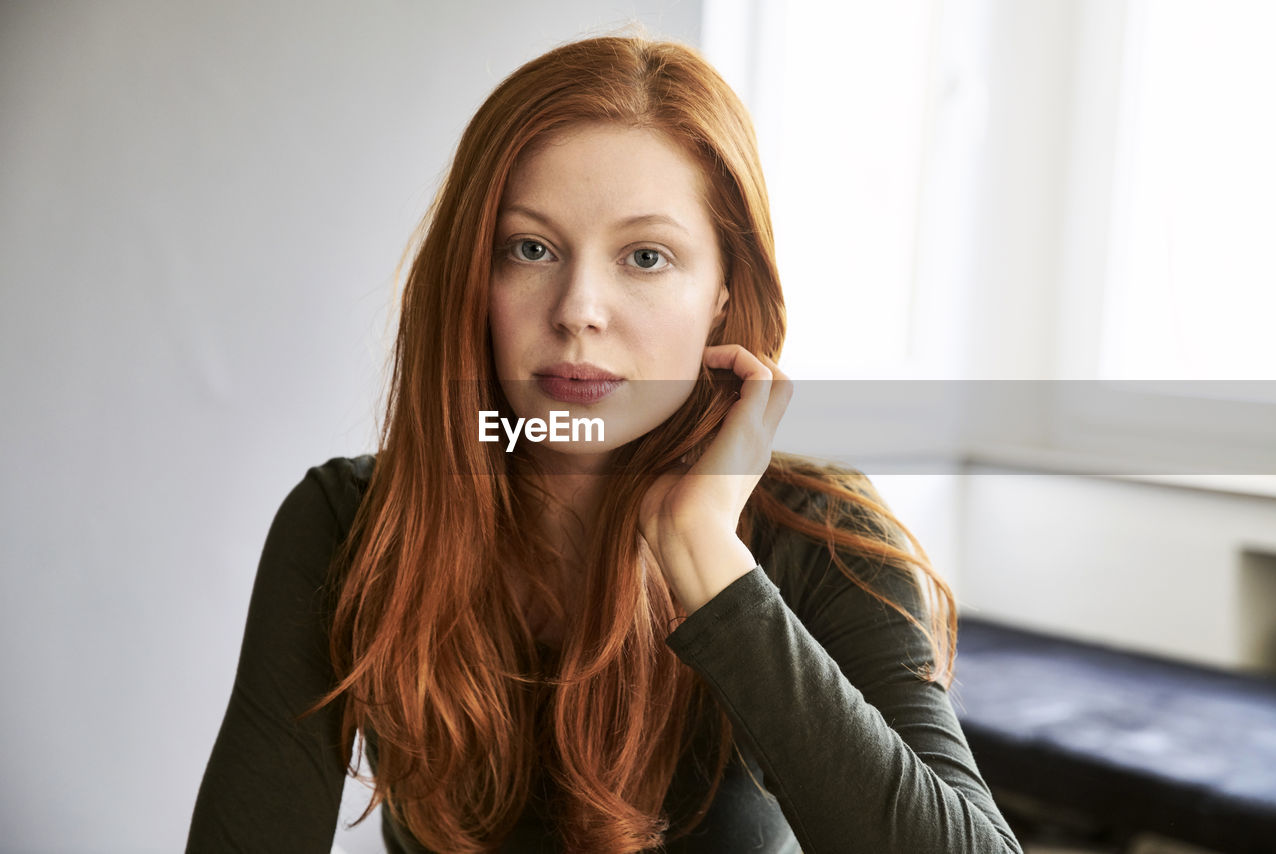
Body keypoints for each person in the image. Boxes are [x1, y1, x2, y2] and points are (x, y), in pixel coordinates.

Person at [186, 33, 1022, 854]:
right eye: (530, 248)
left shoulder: (822, 534)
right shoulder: (346, 524)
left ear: (726, 296)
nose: (579, 308)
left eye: (646, 257)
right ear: (473, 279)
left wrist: (703, 554)